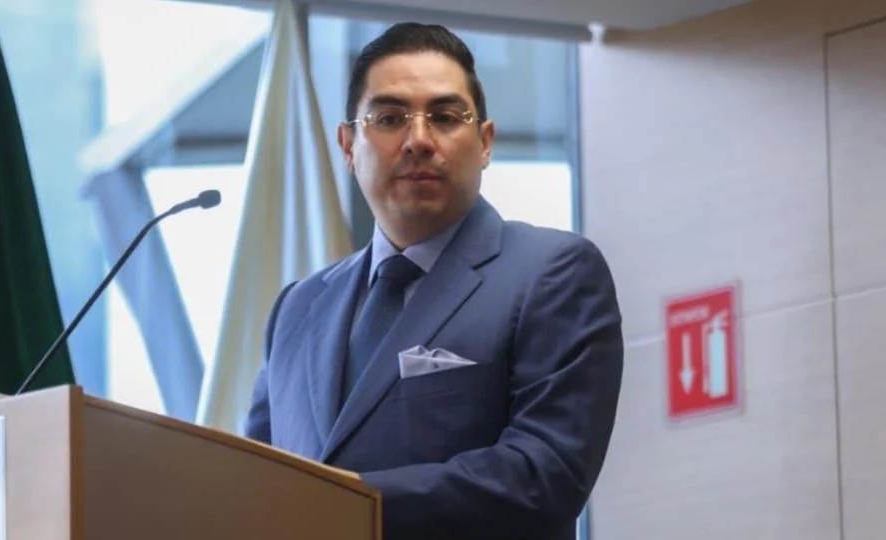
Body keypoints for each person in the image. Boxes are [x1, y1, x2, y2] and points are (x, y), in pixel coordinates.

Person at [246, 22, 623, 540]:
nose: (419, 140)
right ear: (348, 145)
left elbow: (543, 475)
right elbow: (252, 483)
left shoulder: (552, 272)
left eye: (445, 117)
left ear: (485, 142)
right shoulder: (298, 308)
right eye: (389, 118)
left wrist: (344, 503)